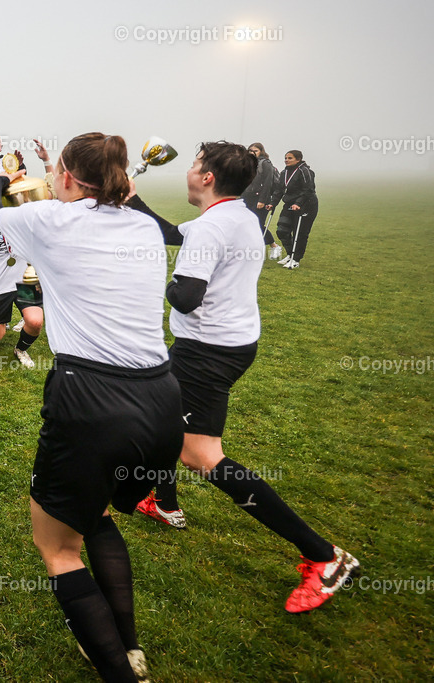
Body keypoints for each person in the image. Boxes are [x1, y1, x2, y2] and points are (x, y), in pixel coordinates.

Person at [0, 132, 183, 682]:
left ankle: (120, 673)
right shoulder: (144, 225)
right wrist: (125, 195)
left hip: (92, 397)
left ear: (66, 177)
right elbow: (170, 232)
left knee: (58, 547)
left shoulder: (49, 221)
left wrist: (5, 171)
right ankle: (130, 648)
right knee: (95, 514)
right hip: (163, 398)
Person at [133, 142, 358, 615]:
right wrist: (133, 201)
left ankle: (322, 556)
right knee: (161, 418)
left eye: (195, 164)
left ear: (208, 177)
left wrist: (153, 279)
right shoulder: (236, 214)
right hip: (226, 343)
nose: (190, 170)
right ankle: (163, 500)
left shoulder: (214, 227)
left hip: (208, 352)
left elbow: (186, 296)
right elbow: (174, 232)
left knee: (202, 455)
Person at [0, 139, 53, 368]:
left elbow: (54, 192)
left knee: (35, 322)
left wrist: (46, 162)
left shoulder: (31, 221)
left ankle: (21, 349)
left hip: (25, 283)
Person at [267, 150, 318, 269]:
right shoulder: (284, 172)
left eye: (290, 158)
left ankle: (296, 259)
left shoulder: (305, 171)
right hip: (289, 204)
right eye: (285, 158)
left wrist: (298, 203)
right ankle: (290, 254)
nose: (286, 160)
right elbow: (279, 190)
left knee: (299, 233)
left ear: (298, 159)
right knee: (282, 230)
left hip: (306, 204)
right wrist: (272, 203)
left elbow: (309, 189)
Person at [241, 142, 280, 258]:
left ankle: (274, 246)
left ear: (261, 151)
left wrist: (262, 200)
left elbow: (268, 183)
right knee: (245, 224)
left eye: (255, 151)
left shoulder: (265, 163)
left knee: (257, 224)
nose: (252, 153)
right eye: (250, 151)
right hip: (247, 197)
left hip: (260, 198)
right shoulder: (247, 164)